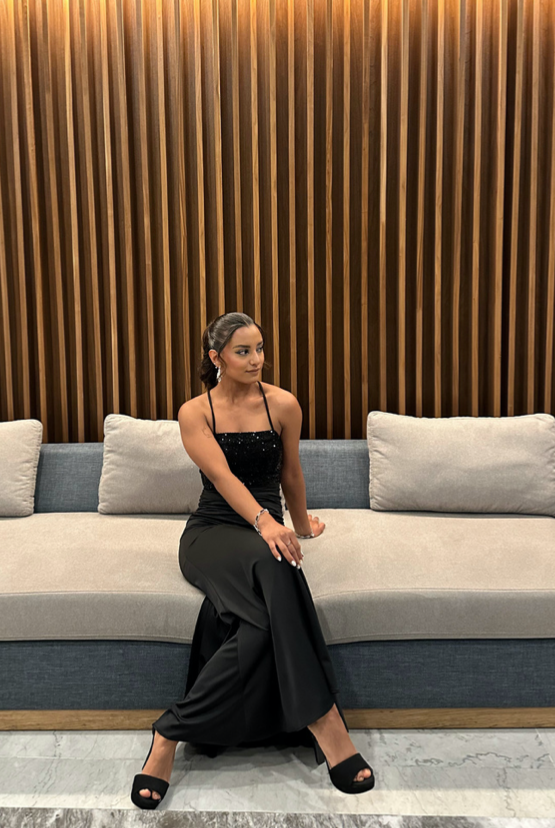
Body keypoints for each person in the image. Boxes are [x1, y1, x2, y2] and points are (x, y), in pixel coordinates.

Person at [131, 312, 375, 808]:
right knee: (275, 561)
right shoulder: (194, 412)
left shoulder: (283, 403)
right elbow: (222, 478)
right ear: (216, 357)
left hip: (267, 529)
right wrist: (266, 523)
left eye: (260, 348)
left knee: (265, 616)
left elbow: (291, 472)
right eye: (243, 351)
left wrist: (299, 524)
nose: (256, 359)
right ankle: (327, 722)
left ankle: (169, 732)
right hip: (213, 532)